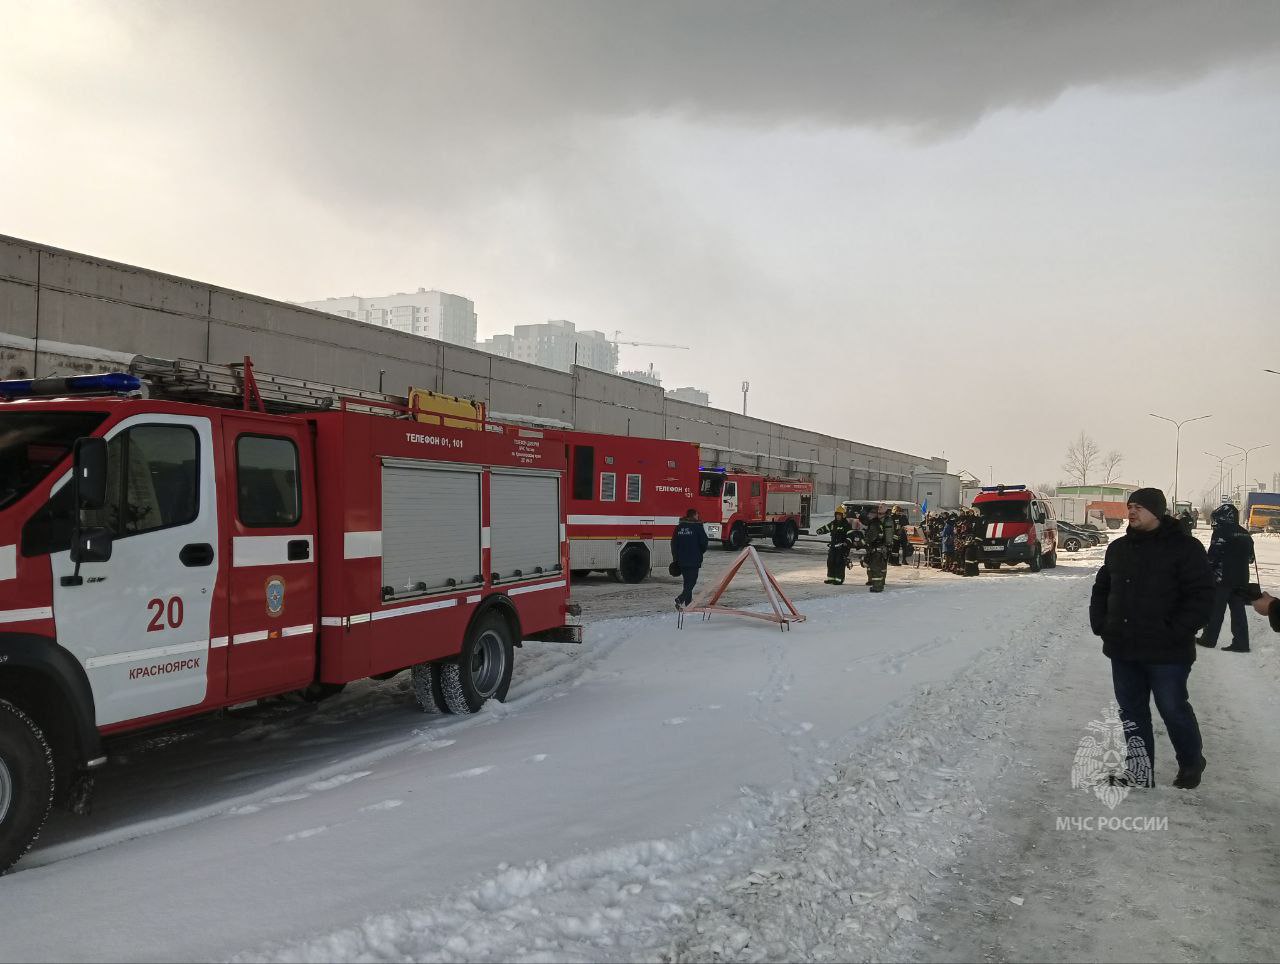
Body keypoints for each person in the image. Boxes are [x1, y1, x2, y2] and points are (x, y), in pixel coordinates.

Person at [1089, 487, 1214, 790]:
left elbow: (1202, 597)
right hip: (1124, 648)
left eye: (1139, 507)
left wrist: (1175, 630)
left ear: (1157, 512)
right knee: (1131, 712)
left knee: (1172, 708)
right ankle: (1139, 772)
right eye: (1130, 506)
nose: (1132, 512)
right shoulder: (1118, 549)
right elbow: (1102, 587)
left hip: (1167, 652)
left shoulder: (1185, 548)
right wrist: (1101, 623)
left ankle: (1191, 762)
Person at [1196, 503, 1255, 652]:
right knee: (1238, 611)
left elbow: (1213, 557)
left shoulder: (1221, 532)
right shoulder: (1245, 533)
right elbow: (1251, 558)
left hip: (1222, 579)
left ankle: (1209, 639)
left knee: (1216, 610)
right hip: (1241, 579)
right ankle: (1241, 643)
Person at [671, 507, 709, 610]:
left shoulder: (679, 528)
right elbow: (704, 543)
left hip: (681, 560)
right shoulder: (697, 527)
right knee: (692, 582)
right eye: (697, 515)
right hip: (693, 559)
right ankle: (680, 599)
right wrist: (699, 552)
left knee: (687, 582)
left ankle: (688, 604)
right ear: (694, 515)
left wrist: (676, 558)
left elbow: (674, 544)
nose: (698, 516)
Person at [819, 505, 855, 585]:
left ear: (843, 515)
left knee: (839, 562)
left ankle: (839, 579)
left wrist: (846, 542)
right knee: (830, 561)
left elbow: (850, 536)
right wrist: (821, 530)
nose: (838, 516)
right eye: (837, 515)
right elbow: (827, 528)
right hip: (833, 546)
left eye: (840, 515)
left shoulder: (846, 525)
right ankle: (831, 578)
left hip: (842, 547)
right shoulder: (833, 523)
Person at [860, 506, 890, 592]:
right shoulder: (878, 523)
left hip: (876, 550)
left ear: (873, 514)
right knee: (877, 568)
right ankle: (878, 585)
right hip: (879, 550)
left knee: (875, 568)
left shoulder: (874, 524)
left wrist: (860, 543)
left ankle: (877, 587)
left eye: (870, 514)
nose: (868, 515)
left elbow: (870, 537)